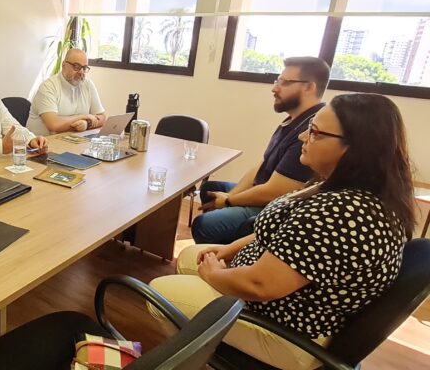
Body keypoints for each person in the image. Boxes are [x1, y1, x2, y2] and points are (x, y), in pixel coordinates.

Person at [150, 93, 414, 370]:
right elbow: (282, 231)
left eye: (315, 132)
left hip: (287, 328)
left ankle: (197, 358)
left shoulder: (341, 213)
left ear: (355, 148)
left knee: (161, 292)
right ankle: (201, 340)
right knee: (191, 256)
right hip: (282, 299)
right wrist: (230, 249)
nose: (303, 137)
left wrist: (214, 275)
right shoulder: (348, 187)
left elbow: (260, 285)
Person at [192, 56, 330, 244]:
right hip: (265, 190)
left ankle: (224, 256)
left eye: (284, 83)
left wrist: (229, 201)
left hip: (274, 205)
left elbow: (275, 192)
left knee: (204, 224)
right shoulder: (292, 120)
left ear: (309, 87)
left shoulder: (310, 132)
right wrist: (231, 196)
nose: (275, 89)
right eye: (277, 81)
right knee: (210, 189)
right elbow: (263, 163)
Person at [26, 48, 107, 135]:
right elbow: (54, 125)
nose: (81, 72)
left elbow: (102, 117)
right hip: (43, 141)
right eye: (76, 67)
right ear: (64, 65)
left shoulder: (88, 84)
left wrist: (86, 123)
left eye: (84, 68)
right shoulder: (48, 87)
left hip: (71, 139)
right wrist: (84, 116)